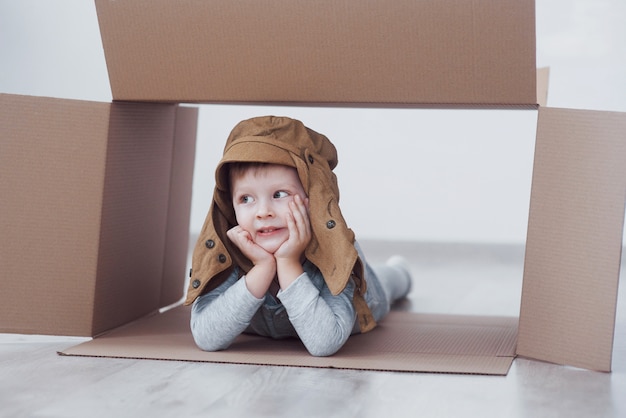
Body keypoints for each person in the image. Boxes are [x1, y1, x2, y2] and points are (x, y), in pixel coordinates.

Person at [184, 116, 412, 357]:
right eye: (246, 199)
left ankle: (401, 271)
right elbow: (206, 337)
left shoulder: (335, 252)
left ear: (312, 199)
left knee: (387, 282)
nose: (263, 212)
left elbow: (325, 343)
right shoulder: (228, 251)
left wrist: (288, 262)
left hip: (366, 300)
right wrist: (262, 268)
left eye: (280, 194)